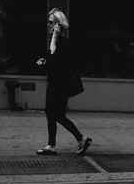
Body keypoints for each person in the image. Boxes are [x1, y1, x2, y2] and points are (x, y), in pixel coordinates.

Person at [35, 8, 92, 156]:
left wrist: (54, 38)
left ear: (58, 25)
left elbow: (56, 59)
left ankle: (80, 139)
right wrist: (45, 60)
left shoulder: (63, 42)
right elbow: (52, 59)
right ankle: (53, 145)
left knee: (56, 114)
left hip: (60, 86)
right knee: (52, 114)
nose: (48, 24)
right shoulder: (57, 42)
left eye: (51, 22)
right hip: (56, 84)